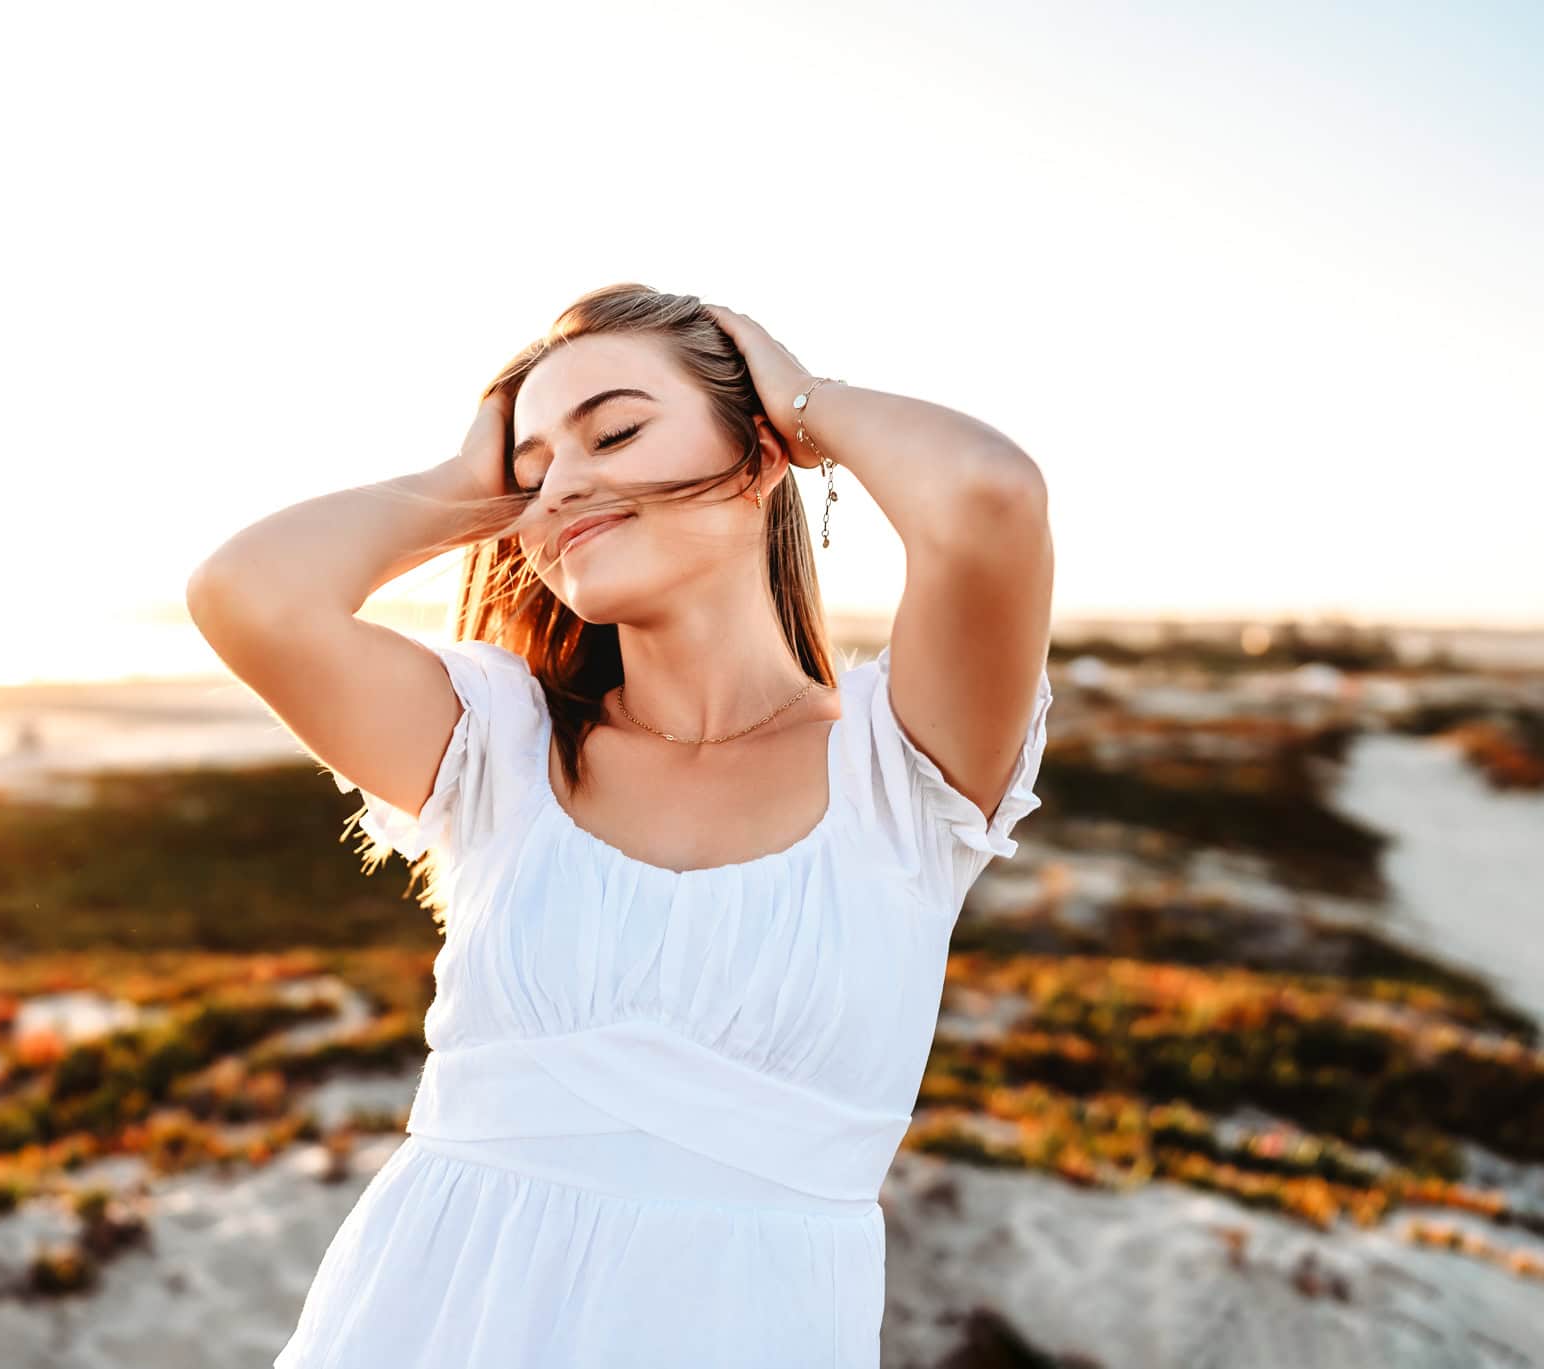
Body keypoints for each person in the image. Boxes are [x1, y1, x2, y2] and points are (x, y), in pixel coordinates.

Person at [185, 283, 1055, 1367]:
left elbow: (988, 496)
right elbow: (248, 594)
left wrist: (800, 396)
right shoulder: (501, 746)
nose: (563, 483)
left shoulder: (902, 772)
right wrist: (471, 485)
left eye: (617, 429)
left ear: (757, 453)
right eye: (533, 463)